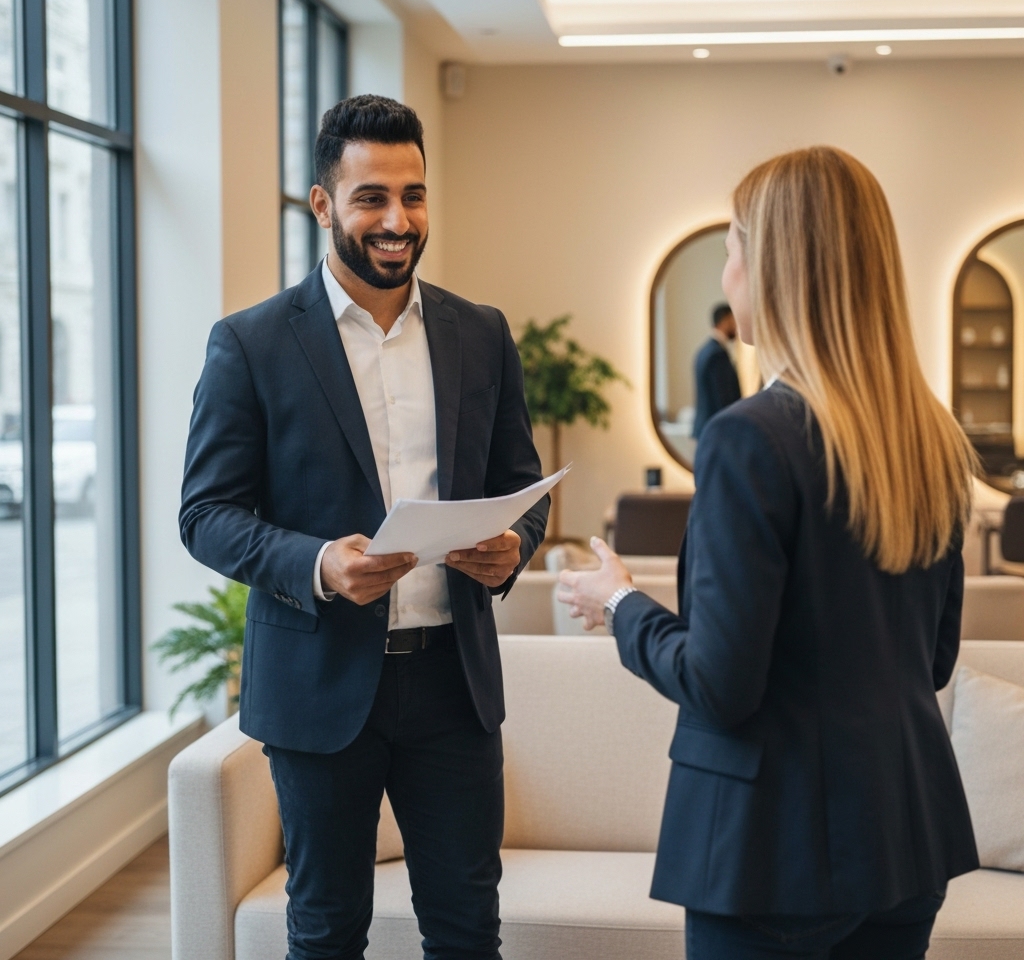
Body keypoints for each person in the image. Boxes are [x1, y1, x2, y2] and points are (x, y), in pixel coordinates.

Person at [558, 146, 978, 960]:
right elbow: (931, 660)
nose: (727, 277)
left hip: (770, 853)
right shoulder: (933, 441)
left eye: (733, 249)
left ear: (777, 266)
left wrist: (619, 605)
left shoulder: (750, 440)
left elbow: (720, 685)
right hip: (904, 836)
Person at [180, 94, 548, 960]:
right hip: (317, 687)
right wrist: (315, 563)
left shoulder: (482, 335)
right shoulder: (251, 343)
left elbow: (524, 488)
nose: (397, 220)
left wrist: (509, 549)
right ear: (322, 205)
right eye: (371, 197)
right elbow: (204, 515)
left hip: (454, 689)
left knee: (467, 931)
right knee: (325, 931)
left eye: (413, 196)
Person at [691, 302, 741, 439]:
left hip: (708, 428)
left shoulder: (706, 350)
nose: (737, 327)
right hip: (715, 431)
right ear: (724, 321)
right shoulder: (716, 354)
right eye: (733, 321)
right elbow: (724, 399)